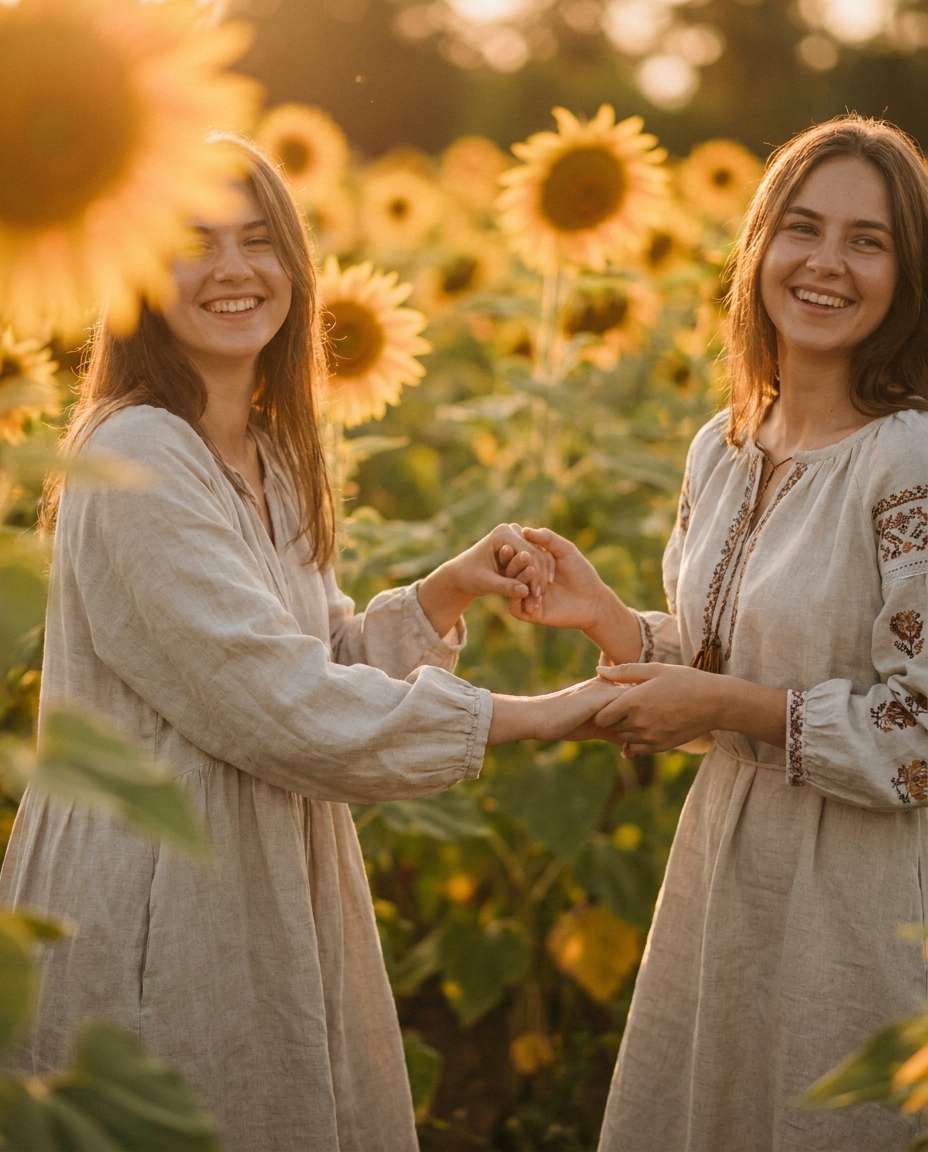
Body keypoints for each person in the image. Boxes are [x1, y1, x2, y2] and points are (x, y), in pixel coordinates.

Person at [0, 135, 619, 1152]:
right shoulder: (139, 454)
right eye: (195, 242)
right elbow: (278, 701)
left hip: (259, 870)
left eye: (258, 240)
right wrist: (549, 716)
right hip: (163, 888)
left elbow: (308, 653)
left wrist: (440, 591)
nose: (234, 269)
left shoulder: (269, 445)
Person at [499, 114, 928, 1150]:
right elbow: (715, 677)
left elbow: (913, 738)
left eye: (866, 241)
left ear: (908, 273)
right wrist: (608, 618)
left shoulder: (907, 459)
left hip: (864, 896)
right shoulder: (724, 447)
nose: (826, 264)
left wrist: (724, 704)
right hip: (729, 876)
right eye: (802, 228)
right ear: (757, 250)